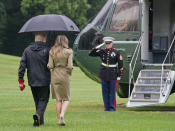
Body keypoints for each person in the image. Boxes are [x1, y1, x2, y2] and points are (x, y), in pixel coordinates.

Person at [18, 32, 50, 126]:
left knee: (37, 100)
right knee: (43, 100)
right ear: (44, 39)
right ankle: (38, 116)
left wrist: (20, 79)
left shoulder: (27, 50)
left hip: (32, 80)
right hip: (44, 80)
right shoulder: (47, 50)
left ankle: (39, 121)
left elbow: (22, 65)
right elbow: (51, 64)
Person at [89, 37, 123, 111]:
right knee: (105, 92)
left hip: (113, 74)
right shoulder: (102, 51)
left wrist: (120, 74)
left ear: (112, 43)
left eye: (109, 44)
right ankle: (106, 107)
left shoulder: (116, 52)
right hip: (104, 74)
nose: (107, 45)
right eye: (106, 44)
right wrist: (96, 47)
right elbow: (91, 54)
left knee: (112, 92)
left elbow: (120, 64)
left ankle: (112, 107)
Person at [47, 35, 73, 126]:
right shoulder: (69, 51)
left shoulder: (52, 51)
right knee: (66, 98)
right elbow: (70, 66)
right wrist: (69, 72)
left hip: (54, 75)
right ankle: (62, 115)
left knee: (58, 99)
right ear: (66, 41)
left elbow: (50, 66)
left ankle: (59, 120)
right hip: (64, 75)